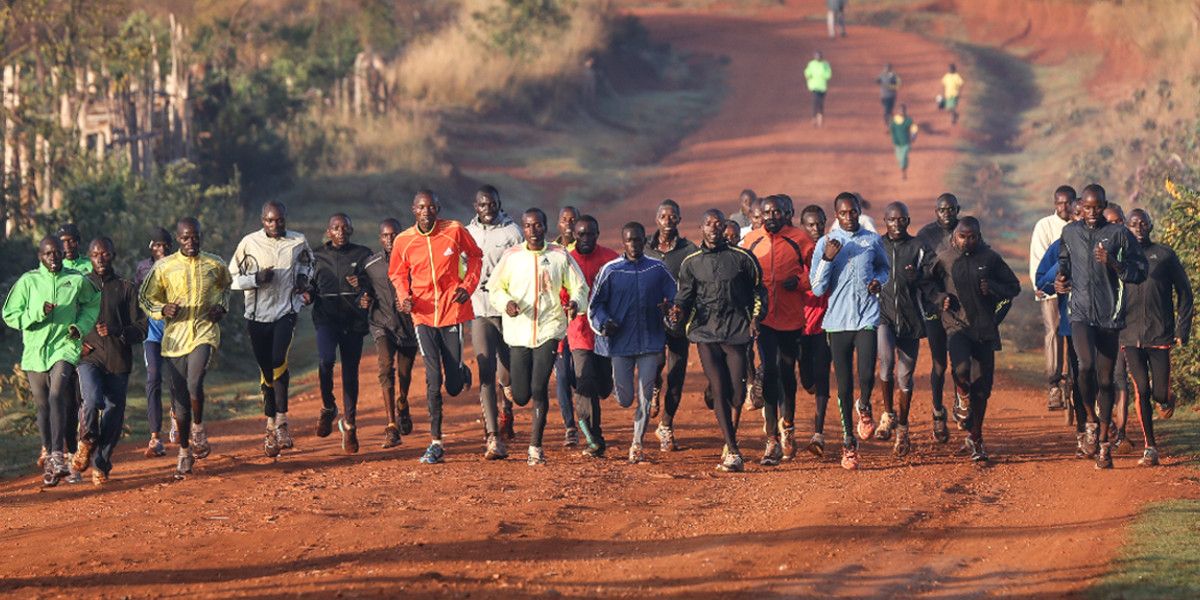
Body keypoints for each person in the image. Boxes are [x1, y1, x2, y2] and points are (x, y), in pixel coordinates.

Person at [1055, 184, 1147, 469]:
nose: (1092, 213)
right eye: (1088, 207)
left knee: (1106, 381)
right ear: (1080, 206)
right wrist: (1060, 281)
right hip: (1080, 312)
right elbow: (1064, 264)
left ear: (1105, 205)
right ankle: (1091, 422)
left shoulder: (1118, 234)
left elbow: (1140, 270)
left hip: (1110, 315)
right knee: (1083, 366)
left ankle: (1105, 443)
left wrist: (1115, 264)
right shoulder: (1070, 232)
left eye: (1098, 207)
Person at [489, 208, 589, 466]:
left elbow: (579, 287)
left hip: (549, 330)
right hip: (519, 333)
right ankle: (510, 386)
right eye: (528, 226)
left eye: (538, 225)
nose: (533, 231)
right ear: (523, 229)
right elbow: (495, 288)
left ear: (546, 227)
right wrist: (506, 303)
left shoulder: (559, 255)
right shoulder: (512, 257)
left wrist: (576, 304)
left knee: (538, 388)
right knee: (521, 396)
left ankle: (535, 446)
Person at [389, 190, 483, 464]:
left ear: (438, 208)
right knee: (433, 379)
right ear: (413, 210)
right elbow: (396, 273)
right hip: (423, 315)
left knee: (453, 385)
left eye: (431, 207)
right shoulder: (403, 240)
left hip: (452, 311)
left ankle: (460, 370)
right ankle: (436, 442)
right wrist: (404, 297)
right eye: (421, 207)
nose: (427, 211)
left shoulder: (453, 230)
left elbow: (475, 256)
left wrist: (467, 287)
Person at [669, 209, 766, 473]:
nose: (714, 227)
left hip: (736, 332)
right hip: (705, 332)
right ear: (701, 228)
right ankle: (732, 449)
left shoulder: (743, 258)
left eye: (718, 224)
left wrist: (756, 317)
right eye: (708, 223)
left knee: (736, 394)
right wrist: (677, 312)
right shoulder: (691, 262)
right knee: (721, 388)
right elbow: (684, 297)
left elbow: (759, 291)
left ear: (725, 228)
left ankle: (718, 399)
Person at [920, 217, 1020, 463]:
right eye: (962, 237)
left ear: (979, 236)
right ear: (954, 237)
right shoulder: (944, 257)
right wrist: (939, 297)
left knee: (983, 389)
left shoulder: (990, 258)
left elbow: (1013, 287)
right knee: (962, 370)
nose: (967, 241)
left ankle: (976, 439)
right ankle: (961, 395)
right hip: (957, 326)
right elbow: (925, 282)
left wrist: (993, 288)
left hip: (984, 329)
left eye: (972, 237)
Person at [138, 217, 232, 479]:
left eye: (195, 237)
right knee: (179, 398)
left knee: (194, 383)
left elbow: (225, 287)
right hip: (174, 339)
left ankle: (198, 429)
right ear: (177, 240)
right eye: (185, 238)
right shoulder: (164, 267)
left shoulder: (214, 263)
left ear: (201, 236)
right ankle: (183, 451)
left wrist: (221, 307)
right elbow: (146, 297)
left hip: (203, 331)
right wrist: (162, 309)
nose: (191, 242)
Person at [3, 237, 99, 486]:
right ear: (40, 257)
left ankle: (59, 455)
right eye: (48, 254)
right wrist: (37, 313)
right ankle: (49, 456)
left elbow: (93, 302)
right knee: (43, 405)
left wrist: (81, 326)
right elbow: (9, 315)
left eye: (57, 253)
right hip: (35, 352)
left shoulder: (76, 279)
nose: (54, 258)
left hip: (64, 347)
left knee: (57, 394)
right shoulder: (29, 281)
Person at [810, 192, 889, 470]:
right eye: (843, 213)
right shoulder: (826, 243)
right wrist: (828, 259)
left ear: (859, 211)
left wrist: (879, 281)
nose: (849, 217)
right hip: (837, 322)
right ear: (836, 215)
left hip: (866, 315)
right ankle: (848, 444)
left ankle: (865, 406)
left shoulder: (871, 240)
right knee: (843, 385)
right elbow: (817, 288)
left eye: (853, 211)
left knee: (867, 374)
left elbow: (884, 269)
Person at [229, 201, 314, 458]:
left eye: (279, 220)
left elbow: (310, 264)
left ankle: (281, 423)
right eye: (269, 221)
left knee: (279, 360)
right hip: (256, 315)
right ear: (261, 220)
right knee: (267, 370)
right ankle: (270, 423)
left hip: (285, 312)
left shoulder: (298, 241)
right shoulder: (249, 243)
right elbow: (231, 277)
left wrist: (303, 281)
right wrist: (255, 279)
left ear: (286, 219)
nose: (274, 225)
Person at [589, 222, 677, 464]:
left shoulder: (657, 268)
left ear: (644, 241)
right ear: (623, 242)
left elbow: (675, 293)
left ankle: (637, 443)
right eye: (630, 241)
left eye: (638, 240)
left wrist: (672, 309)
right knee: (625, 398)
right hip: (620, 344)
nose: (634, 245)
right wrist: (604, 323)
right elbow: (595, 305)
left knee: (646, 393)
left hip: (651, 341)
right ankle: (617, 387)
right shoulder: (611, 271)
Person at [741, 196, 813, 464]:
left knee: (786, 372)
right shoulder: (752, 241)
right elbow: (743, 275)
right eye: (767, 212)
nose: (772, 216)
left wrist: (801, 281)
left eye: (777, 212)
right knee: (769, 372)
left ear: (787, 214)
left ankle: (789, 427)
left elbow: (817, 271)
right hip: (764, 318)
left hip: (792, 317)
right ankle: (771, 439)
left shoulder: (800, 238)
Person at [1120, 209, 1192, 467]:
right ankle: (1150, 447)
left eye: (1143, 224)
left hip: (1160, 334)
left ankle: (1166, 398)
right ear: (1126, 228)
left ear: (1151, 226)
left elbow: (1185, 292)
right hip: (1128, 336)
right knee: (1141, 389)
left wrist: (1182, 330)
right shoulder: (1121, 258)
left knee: (1159, 393)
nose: (1138, 228)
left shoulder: (1164, 256)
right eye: (1133, 224)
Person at [73, 238, 147, 485]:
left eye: (104, 254)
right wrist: (77, 345)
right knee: (91, 399)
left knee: (114, 410)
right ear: (89, 257)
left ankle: (101, 464)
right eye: (95, 254)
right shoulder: (81, 286)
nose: (100, 258)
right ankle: (86, 440)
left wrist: (119, 330)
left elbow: (142, 327)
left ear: (113, 255)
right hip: (89, 357)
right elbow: (67, 322)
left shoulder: (126, 288)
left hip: (118, 359)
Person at [466, 186, 525, 457]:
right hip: (480, 311)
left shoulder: (512, 232)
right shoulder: (469, 234)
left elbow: (524, 268)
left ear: (499, 203)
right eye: (481, 205)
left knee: (507, 373)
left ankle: (507, 406)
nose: (487, 208)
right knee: (486, 371)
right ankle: (492, 436)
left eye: (491, 204)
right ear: (475, 207)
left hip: (508, 312)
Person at [1036, 199, 1094, 458]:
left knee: (1105, 378)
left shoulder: (1106, 241)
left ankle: (1106, 428)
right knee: (1080, 375)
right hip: (1073, 324)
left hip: (1105, 322)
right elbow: (1042, 280)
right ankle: (1084, 428)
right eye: (1076, 216)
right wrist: (1056, 281)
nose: (1080, 220)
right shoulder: (1060, 245)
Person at [361, 218, 419, 450]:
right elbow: (363, 288)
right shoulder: (371, 264)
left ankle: (402, 403)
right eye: (385, 235)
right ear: (380, 238)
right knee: (386, 368)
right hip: (381, 324)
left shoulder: (414, 261)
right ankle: (391, 426)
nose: (390, 239)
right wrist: (362, 297)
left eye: (393, 234)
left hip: (408, 327)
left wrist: (411, 299)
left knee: (404, 374)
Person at [565, 216, 620, 457]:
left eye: (591, 234)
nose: (586, 239)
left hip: (604, 332)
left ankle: (596, 400)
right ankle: (594, 437)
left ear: (598, 234)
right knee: (584, 380)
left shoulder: (610, 258)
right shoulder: (566, 259)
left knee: (603, 386)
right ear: (573, 235)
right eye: (581, 234)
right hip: (578, 331)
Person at [646, 199, 698, 452]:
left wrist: (683, 308)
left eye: (673, 216)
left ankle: (666, 426)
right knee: (655, 363)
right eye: (663, 216)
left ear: (679, 219)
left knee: (676, 374)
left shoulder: (689, 249)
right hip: (652, 321)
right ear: (657, 219)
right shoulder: (644, 246)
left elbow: (696, 284)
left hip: (679, 320)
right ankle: (655, 386)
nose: (668, 221)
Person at [875, 202, 926, 456]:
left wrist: (919, 278)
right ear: (884, 220)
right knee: (885, 362)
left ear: (908, 220)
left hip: (910, 320)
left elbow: (930, 278)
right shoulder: (878, 245)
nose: (896, 224)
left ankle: (903, 430)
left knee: (905, 376)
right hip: (883, 315)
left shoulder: (918, 247)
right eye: (892, 220)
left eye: (901, 220)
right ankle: (887, 414)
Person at [916, 193, 960, 444]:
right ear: (936, 212)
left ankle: (959, 403)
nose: (946, 214)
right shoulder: (925, 236)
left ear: (958, 210)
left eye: (951, 209)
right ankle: (937, 411)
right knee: (939, 364)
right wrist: (936, 296)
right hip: (934, 307)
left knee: (960, 361)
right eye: (942, 210)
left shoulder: (965, 230)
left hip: (959, 309)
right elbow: (922, 276)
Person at [1029, 186, 1075, 411]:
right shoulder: (1045, 226)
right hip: (1053, 290)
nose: (1064, 208)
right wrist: (1043, 287)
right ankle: (1054, 384)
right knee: (1054, 331)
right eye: (1060, 203)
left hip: (1078, 292)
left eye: (1069, 203)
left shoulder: (1081, 225)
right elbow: (1039, 259)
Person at [797, 205, 834, 457]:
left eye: (819, 223)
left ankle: (818, 432)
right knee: (806, 379)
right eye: (810, 224)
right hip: (798, 325)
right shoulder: (796, 251)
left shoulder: (833, 248)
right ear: (803, 225)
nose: (816, 228)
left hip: (825, 324)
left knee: (822, 376)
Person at [134, 228, 173, 458]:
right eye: (157, 245)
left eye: (165, 245)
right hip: (152, 333)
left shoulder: (179, 265)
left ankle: (177, 417)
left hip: (177, 333)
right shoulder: (142, 268)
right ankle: (155, 436)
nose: (162, 250)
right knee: (153, 378)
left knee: (176, 380)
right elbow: (137, 296)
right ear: (151, 247)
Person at [553, 206, 581, 446]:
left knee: (578, 375)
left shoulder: (583, 249)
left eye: (574, 220)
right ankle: (570, 426)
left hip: (581, 321)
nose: (569, 224)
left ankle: (586, 418)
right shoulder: (551, 250)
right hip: (556, 321)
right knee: (562, 375)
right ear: (558, 223)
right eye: (565, 220)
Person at [889, 104, 919, 180]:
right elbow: (891, 130)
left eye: (903, 110)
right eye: (900, 110)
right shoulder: (894, 120)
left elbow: (914, 128)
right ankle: (904, 170)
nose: (901, 112)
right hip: (897, 143)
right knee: (900, 159)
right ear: (898, 111)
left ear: (905, 111)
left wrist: (913, 136)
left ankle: (903, 173)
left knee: (902, 158)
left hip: (906, 143)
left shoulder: (908, 120)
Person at [804, 51, 832, 128]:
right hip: (814, 86)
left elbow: (828, 75)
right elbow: (807, 73)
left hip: (822, 87)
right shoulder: (811, 64)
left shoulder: (825, 64)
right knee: (815, 101)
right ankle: (814, 118)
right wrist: (808, 76)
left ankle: (820, 117)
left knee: (820, 103)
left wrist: (823, 73)